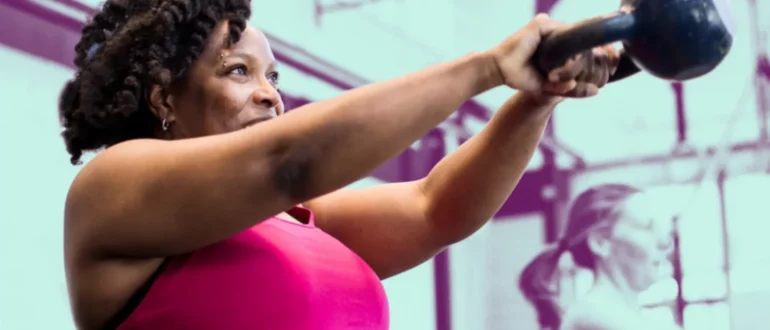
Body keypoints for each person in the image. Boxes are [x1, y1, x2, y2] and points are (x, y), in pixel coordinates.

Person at [59, 0, 619, 329]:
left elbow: (436, 209)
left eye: (272, 78)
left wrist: (539, 95)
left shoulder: (294, 218)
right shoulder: (111, 188)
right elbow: (288, 160)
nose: (269, 96)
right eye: (237, 71)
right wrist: (490, 67)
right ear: (162, 99)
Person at [518, 184, 676, 330]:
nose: (665, 242)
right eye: (647, 226)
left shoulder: (629, 316)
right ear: (601, 242)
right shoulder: (591, 316)